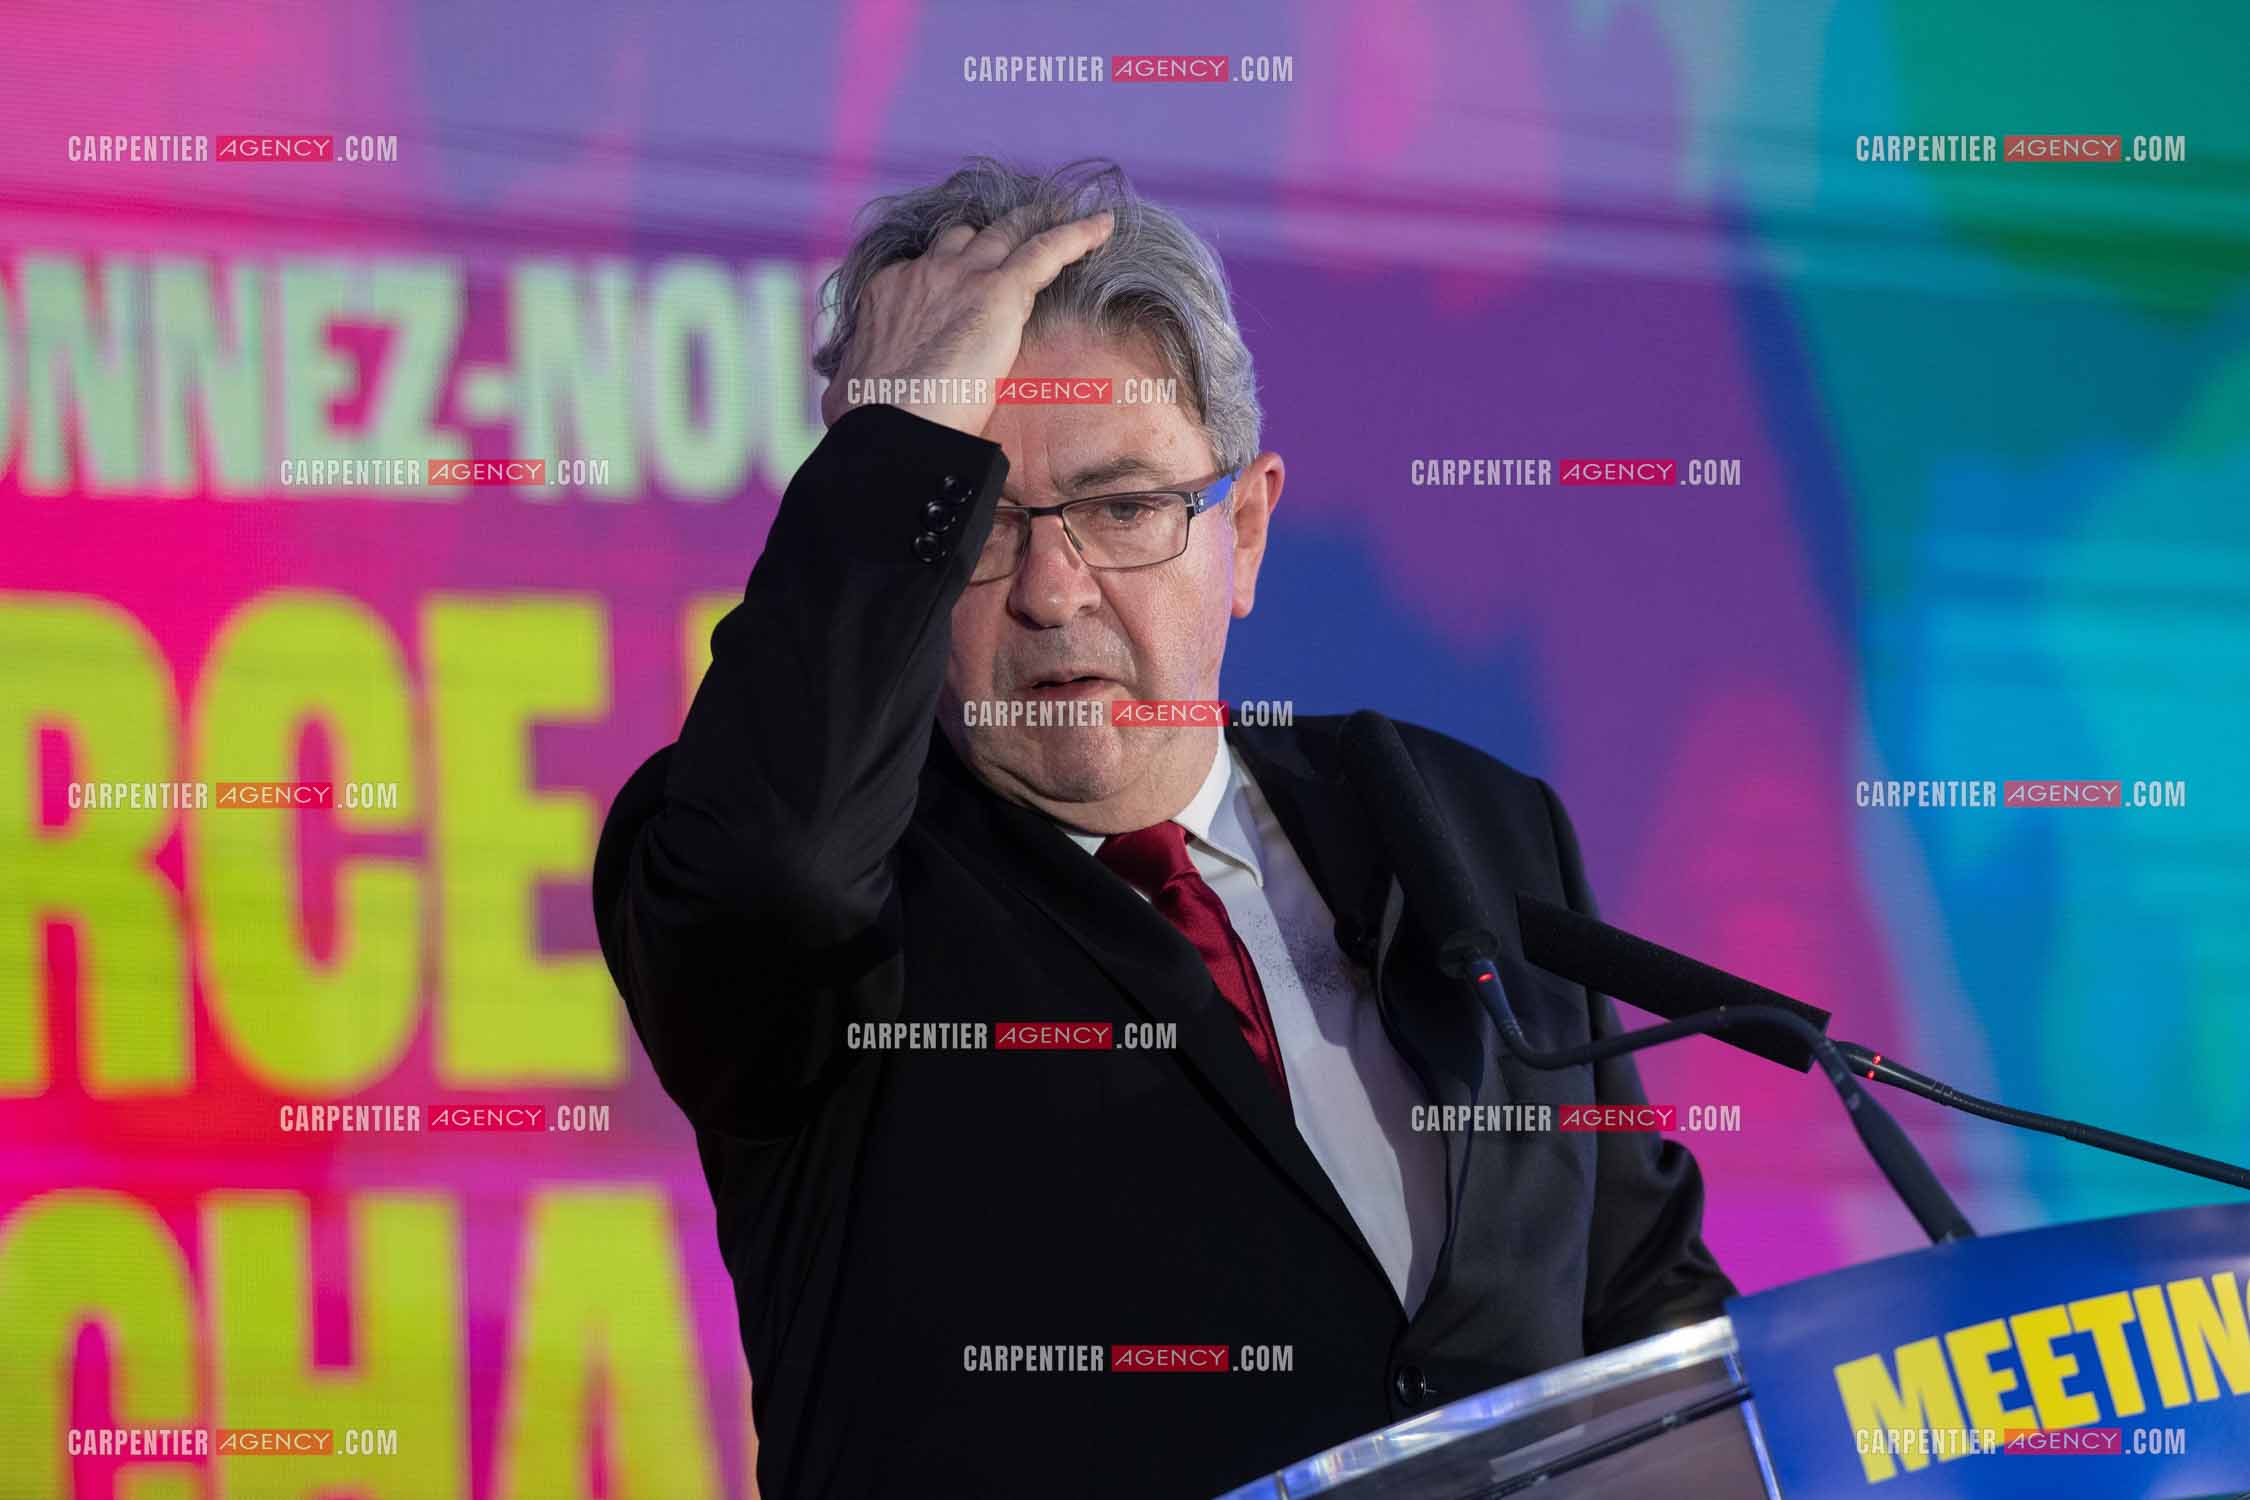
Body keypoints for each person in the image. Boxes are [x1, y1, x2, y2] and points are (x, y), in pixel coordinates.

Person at [593, 156, 1732, 1500]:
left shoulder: (1464, 826)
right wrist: (895, 445)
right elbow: (772, 864)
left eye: (1123, 507)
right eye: (976, 528)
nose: (1053, 590)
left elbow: (1646, 1320)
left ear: (1241, 534)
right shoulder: (825, 899)